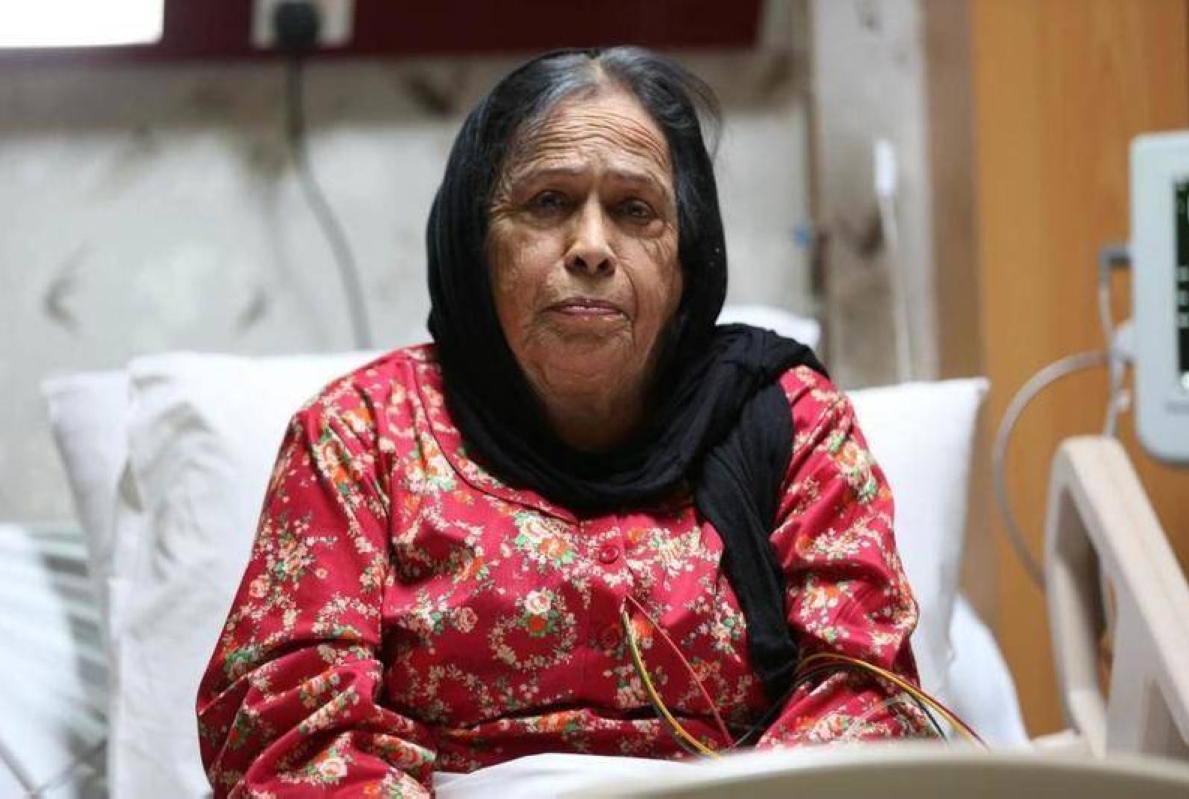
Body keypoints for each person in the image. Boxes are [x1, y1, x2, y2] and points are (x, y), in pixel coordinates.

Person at [197, 46, 926, 797]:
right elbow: (288, 728)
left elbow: (868, 692)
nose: (591, 248)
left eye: (635, 210)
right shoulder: (360, 435)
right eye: (548, 202)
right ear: (476, 244)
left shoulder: (789, 421)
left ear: (686, 260)